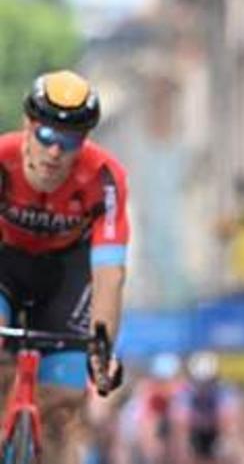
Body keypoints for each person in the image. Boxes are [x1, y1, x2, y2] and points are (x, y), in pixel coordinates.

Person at [0, 70, 128, 463]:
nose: (55, 152)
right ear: (28, 127)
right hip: (4, 267)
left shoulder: (105, 178)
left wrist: (102, 349)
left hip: (65, 277)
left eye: (69, 141)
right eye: (46, 136)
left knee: (64, 405)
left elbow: (109, 271)